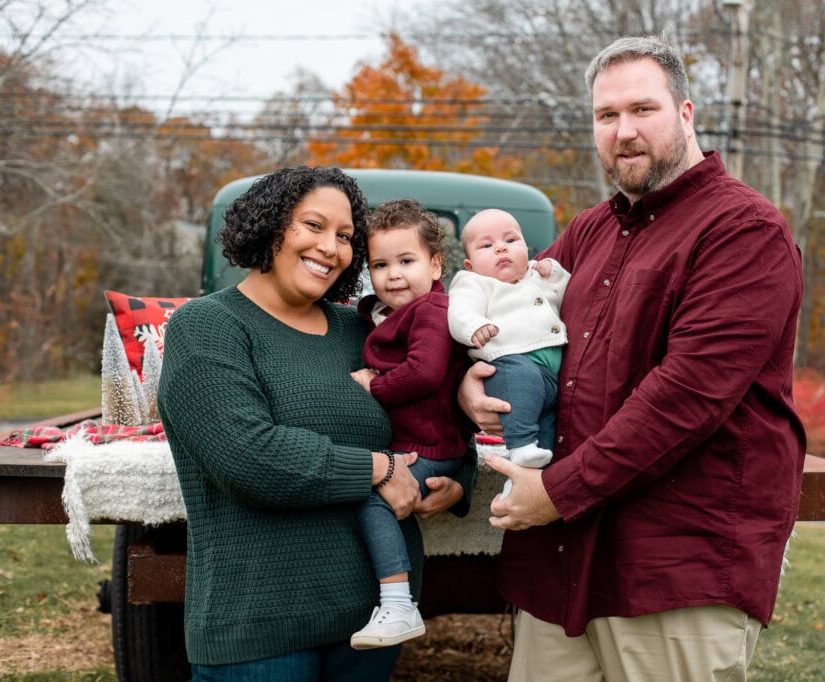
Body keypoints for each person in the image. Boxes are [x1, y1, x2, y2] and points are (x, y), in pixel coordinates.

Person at [460, 36, 807, 681]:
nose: (623, 131)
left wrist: (555, 493)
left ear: (685, 112)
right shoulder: (591, 229)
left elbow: (685, 399)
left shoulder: (743, 231)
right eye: (605, 116)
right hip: (562, 564)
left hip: (674, 565)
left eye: (642, 109)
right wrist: (469, 387)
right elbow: (510, 317)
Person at [157, 166, 470, 680]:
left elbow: (436, 413)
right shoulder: (208, 326)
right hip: (261, 629)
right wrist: (378, 468)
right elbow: (249, 456)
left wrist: (457, 482)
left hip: (373, 621)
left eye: (346, 236)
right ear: (271, 226)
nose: (332, 246)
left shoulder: (363, 329)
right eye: (314, 225)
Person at [348, 198, 472, 649]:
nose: (393, 274)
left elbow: (424, 372)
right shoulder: (386, 314)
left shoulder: (432, 311)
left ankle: (399, 604)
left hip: (432, 445)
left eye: (406, 261)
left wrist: (372, 388)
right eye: (380, 264)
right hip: (412, 442)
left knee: (376, 498)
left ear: (435, 263)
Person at [447, 208, 570, 496]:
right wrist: (475, 327)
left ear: (526, 249)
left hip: (550, 377)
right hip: (508, 365)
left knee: (549, 433)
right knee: (524, 382)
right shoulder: (474, 282)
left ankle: (518, 485)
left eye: (511, 240)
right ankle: (520, 444)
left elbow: (568, 297)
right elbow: (460, 311)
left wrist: (555, 276)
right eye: (487, 246)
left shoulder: (535, 276)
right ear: (470, 264)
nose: (501, 247)